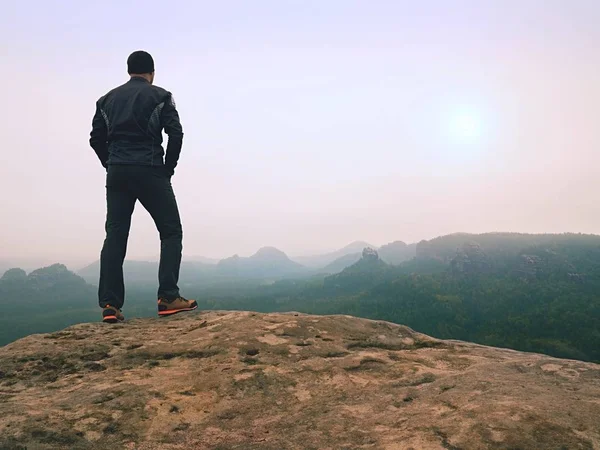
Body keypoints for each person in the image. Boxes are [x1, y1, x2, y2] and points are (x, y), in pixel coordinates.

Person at [89, 50, 197, 323]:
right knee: (171, 231)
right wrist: (167, 169)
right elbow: (176, 133)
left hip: (117, 173)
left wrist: (110, 163)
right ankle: (168, 297)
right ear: (152, 73)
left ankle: (110, 305)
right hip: (149, 170)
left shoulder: (106, 100)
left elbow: (95, 139)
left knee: (115, 235)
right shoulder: (160, 96)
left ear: (129, 71)